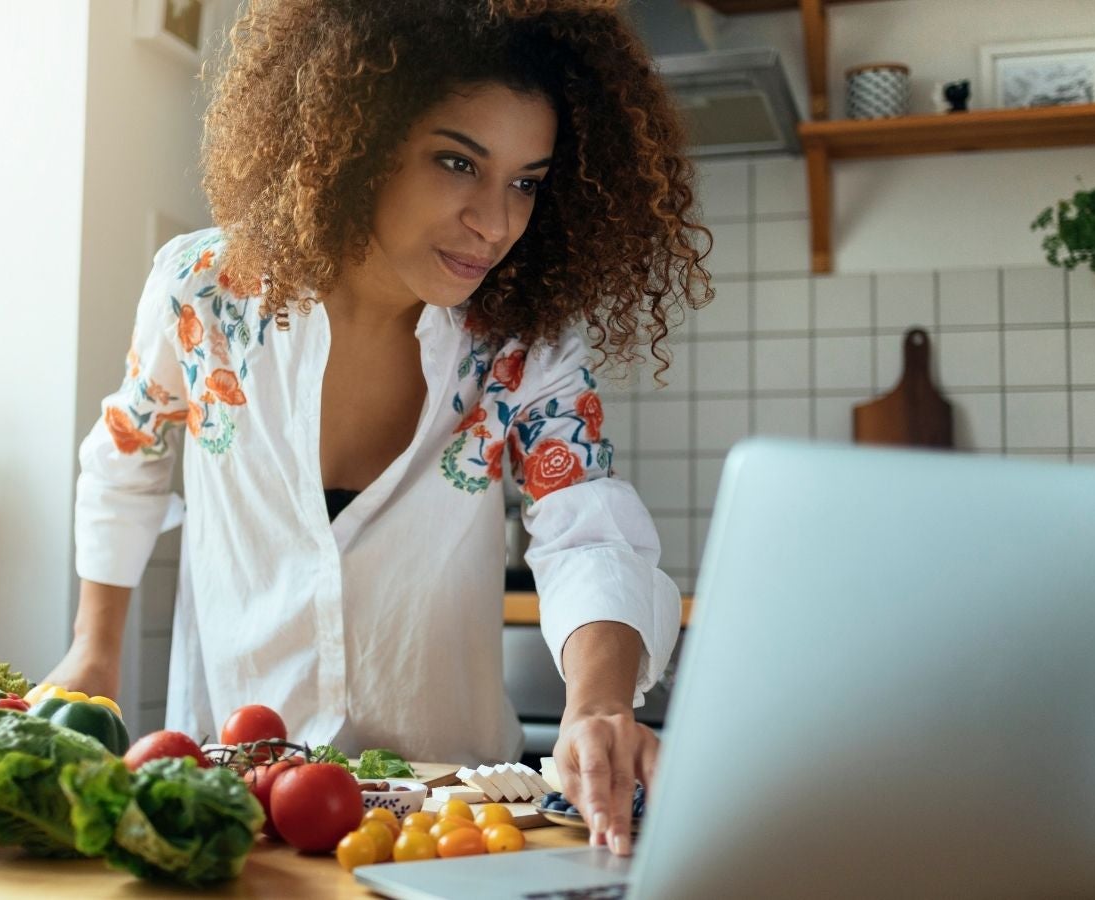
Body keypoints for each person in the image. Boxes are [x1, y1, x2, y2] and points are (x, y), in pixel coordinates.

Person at [46, 0, 713, 857]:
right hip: (232, 807)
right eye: (456, 162)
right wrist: (93, 653)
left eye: (525, 181)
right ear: (355, 139)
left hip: (454, 825)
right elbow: (127, 455)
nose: (498, 221)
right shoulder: (204, 292)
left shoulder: (523, 342)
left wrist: (598, 704)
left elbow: (587, 526)